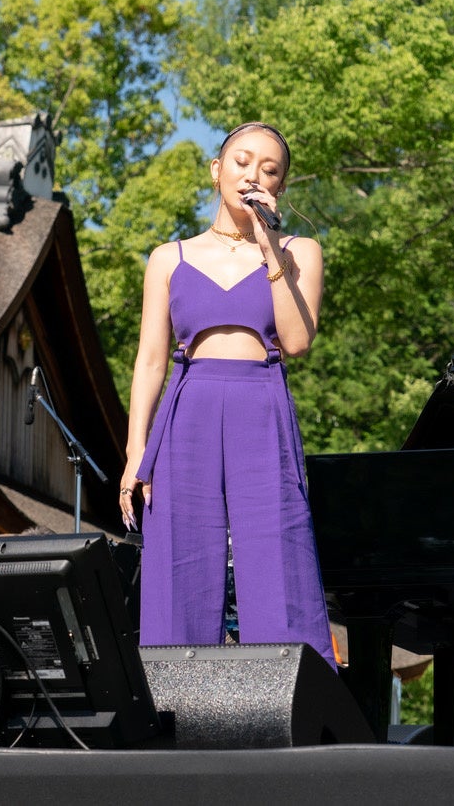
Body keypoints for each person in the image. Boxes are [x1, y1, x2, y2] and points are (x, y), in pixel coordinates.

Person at [118, 122, 336, 666]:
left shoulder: (298, 250)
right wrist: (134, 453)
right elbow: (149, 360)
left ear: (280, 188)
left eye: (270, 169)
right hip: (187, 403)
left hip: (260, 401)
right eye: (241, 162)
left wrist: (268, 247)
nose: (253, 175)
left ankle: (296, 706)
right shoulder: (168, 257)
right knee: (180, 555)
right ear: (217, 171)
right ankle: (171, 706)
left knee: (276, 551)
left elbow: (295, 339)